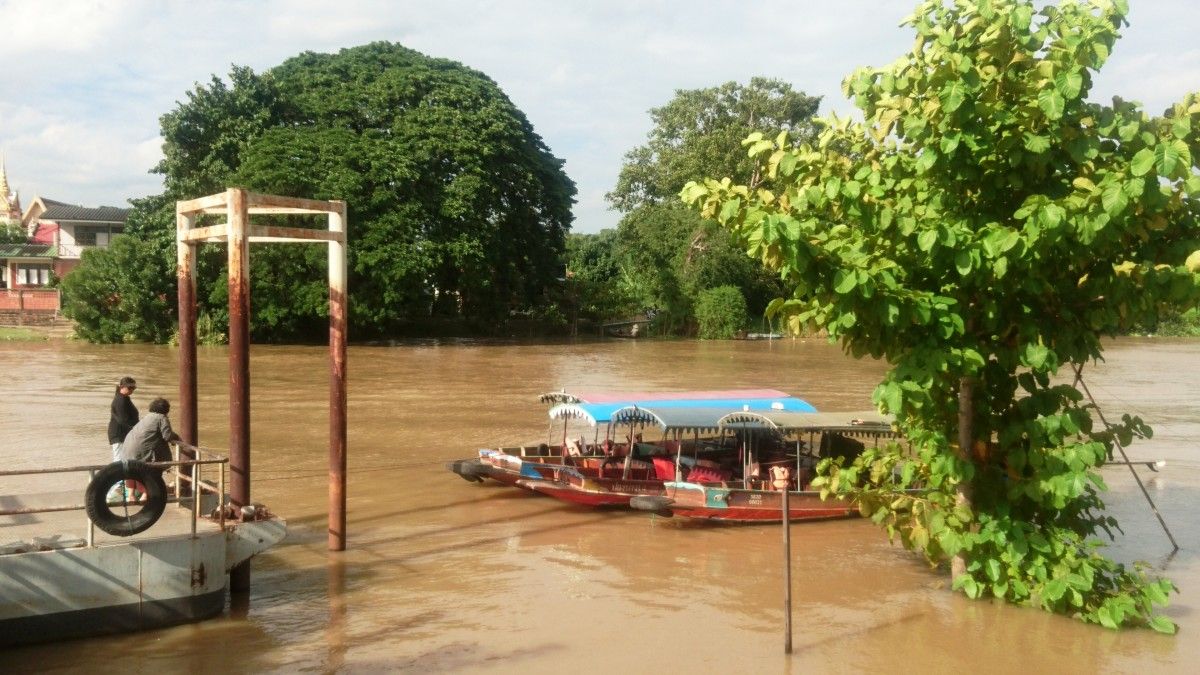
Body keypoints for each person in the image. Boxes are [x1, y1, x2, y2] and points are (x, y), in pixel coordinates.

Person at [121, 397, 180, 464]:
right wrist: (176, 437)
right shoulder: (162, 418)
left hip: (127, 456)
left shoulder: (148, 417)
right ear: (166, 409)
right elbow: (167, 436)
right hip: (139, 458)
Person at [107, 376, 138, 461]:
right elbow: (123, 420)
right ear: (122, 387)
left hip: (123, 434)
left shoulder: (124, 398)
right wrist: (136, 429)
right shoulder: (120, 400)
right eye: (130, 388)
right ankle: (115, 474)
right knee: (119, 460)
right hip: (119, 434)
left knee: (124, 459)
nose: (132, 390)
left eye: (133, 388)